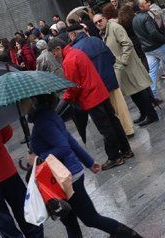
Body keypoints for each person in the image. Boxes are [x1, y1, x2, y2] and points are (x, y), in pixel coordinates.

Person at [27, 94, 143, 238]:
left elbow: (64, 147)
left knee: (90, 218)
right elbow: (69, 140)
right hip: (62, 178)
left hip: (68, 179)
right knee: (69, 221)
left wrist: (38, 158)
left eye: (23, 101)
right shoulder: (49, 115)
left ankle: (129, 235)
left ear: (34, 100)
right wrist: (88, 161)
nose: (20, 105)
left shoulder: (43, 121)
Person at [59, 24, 131, 169]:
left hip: (91, 96)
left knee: (105, 127)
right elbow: (111, 58)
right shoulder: (91, 43)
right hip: (102, 88)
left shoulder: (72, 56)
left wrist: (66, 99)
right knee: (113, 121)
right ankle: (126, 150)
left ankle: (114, 157)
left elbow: (74, 85)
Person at [94, 11, 158, 126]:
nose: (98, 23)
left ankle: (152, 115)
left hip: (128, 65)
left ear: (105, 19)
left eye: (100, 20)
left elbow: (127, 44)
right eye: (96, 23)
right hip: (122, 68)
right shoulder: (104, 32)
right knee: (133, 92)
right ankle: (144, 113)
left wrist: (122, 60)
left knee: (139, 90)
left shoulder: (114, 27)